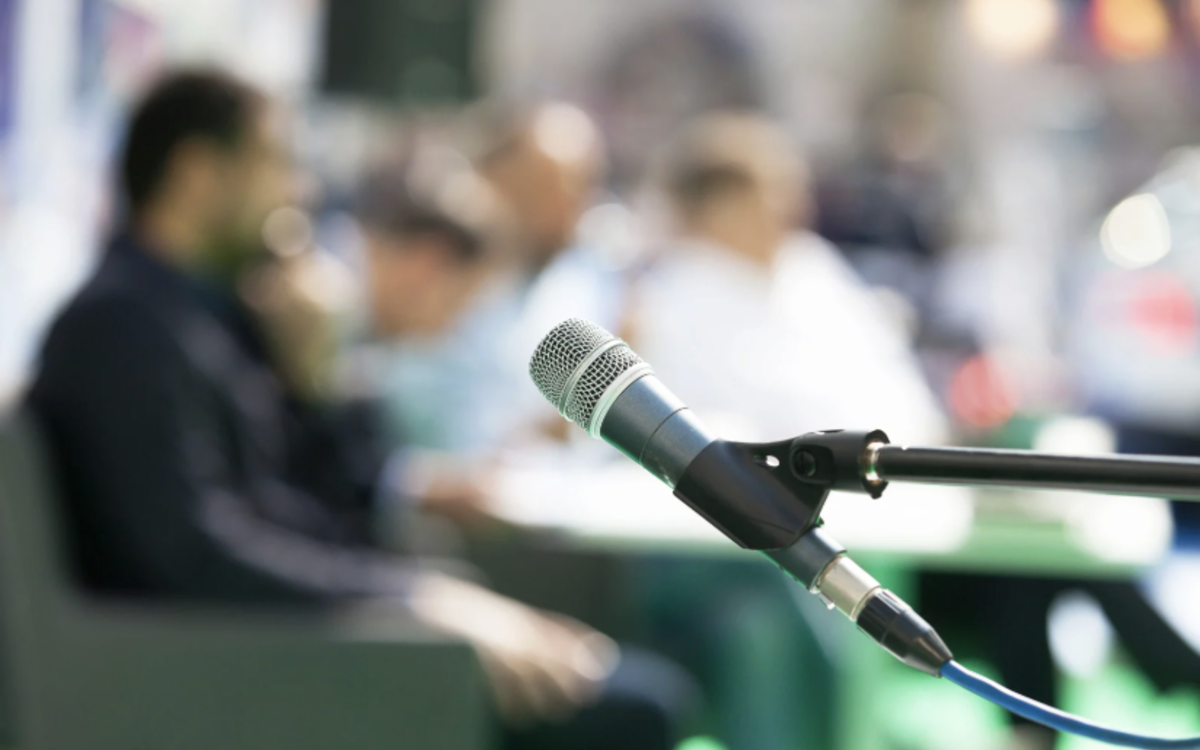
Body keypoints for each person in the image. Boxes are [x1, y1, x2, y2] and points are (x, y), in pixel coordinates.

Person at [26, 69, 691, 750]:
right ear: (197, 171)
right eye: (276, 163)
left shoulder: (212, 318)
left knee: (632, 686)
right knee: (641, 706)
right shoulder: (121, 327)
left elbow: (334, 509)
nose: (298, 192)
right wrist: (411, 602)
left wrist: (321, 381)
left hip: (302, 653)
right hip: (241, 675)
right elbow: (194, 553)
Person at [634, 111, 947, 444]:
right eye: (770, 191)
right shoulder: (671, 303)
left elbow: (885, 369)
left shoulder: (810, 264)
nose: (791, 206)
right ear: (717, 207)